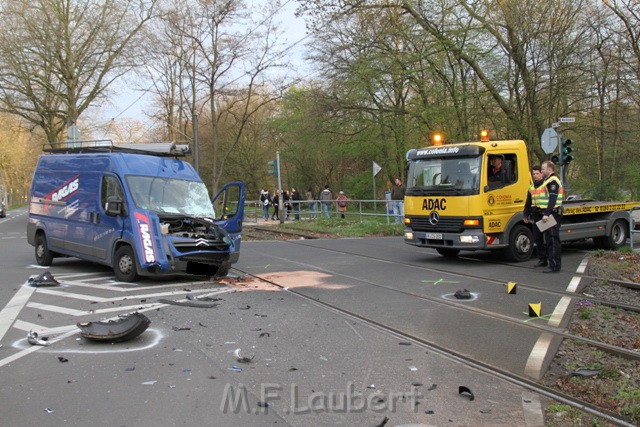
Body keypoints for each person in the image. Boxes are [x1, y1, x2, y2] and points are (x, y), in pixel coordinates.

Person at [539, 160, 564, 273]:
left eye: (543, 169)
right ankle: (552, 263)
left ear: (549, 169)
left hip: (552, 213)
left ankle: (554, 265)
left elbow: (552, 199)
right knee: (549, 239)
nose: (541, 171)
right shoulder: (547, 181)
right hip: (550, 213)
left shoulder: (553, 181)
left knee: (553, 240)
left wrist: (547, 214)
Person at [523, 166, 547, 267]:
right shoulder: (531, 187)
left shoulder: (546, 185)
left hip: (546, 215)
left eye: (537, 173)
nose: (535, 176)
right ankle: (542, 259)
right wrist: (526, 214)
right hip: (536, 216)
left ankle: (550, 259)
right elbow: (528, 202)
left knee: (548, 238)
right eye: (534, 174)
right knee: (538, 238)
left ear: (541, 174)